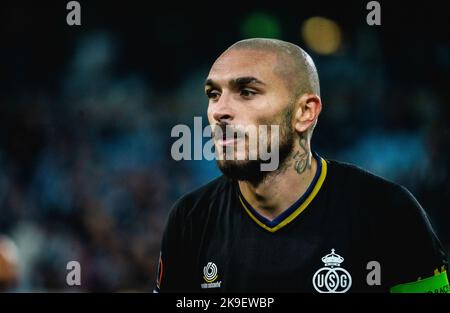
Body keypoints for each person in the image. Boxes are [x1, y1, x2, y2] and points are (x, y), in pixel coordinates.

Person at [155, 38, 449, 293]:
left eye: (246, 91)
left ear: (305, 112)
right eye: (213, 94)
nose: (219, 111)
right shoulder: (190, 219)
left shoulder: (389, 212)